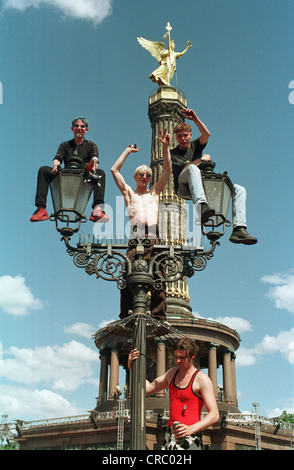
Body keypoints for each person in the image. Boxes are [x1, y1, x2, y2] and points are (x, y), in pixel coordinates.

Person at [171, 108, 257, 245]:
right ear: (176, 137)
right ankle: (202, 207)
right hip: (184, 187)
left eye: (185, 135)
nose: (183, 138)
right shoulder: (173, 153)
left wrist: (195, 118)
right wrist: (202, 160)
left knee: (239, 189)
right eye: (180, 136)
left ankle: (239, 229)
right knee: (193, 168)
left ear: (190, 135)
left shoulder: (194, 146)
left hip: (201, 185)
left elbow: (206, 134)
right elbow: (185, 169)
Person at [111, 129, 172, 320]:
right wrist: (127, 152)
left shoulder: (154, 193)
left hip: (154, 234)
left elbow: (169, 170)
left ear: (150, 178)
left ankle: (159, 317)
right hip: (136, 234)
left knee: (159, 277)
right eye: (141, 174)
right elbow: (114, 170)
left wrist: (165, 147)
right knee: (129, 274)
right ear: (136, 177)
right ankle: (126, 315)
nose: (144, 177)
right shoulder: (130, 193)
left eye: (147, 175)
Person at [128, 337, 220, 450]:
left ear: (192, 356)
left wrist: (191, 428)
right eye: (176, 357)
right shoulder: (172, 374)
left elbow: (214, 414)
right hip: (170, 436)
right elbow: (147, 389)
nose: (178, 361)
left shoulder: (202, 379)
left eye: (182, 357)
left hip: (191, 438)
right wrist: (133, 367)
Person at [30, 117, 109, 223]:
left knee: (100, 173)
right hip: (67, 175)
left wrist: (92, 168)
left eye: (82, 126)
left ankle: (98, 210)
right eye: (76, 126)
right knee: (44, 170)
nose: (79, 128)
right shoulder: (65, 145)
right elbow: (57, 158)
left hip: (83, 174)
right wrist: (55, 166)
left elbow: (95, 163)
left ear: (86, 130)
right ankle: (41, 209)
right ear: (72, 128)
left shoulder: (91, 145)